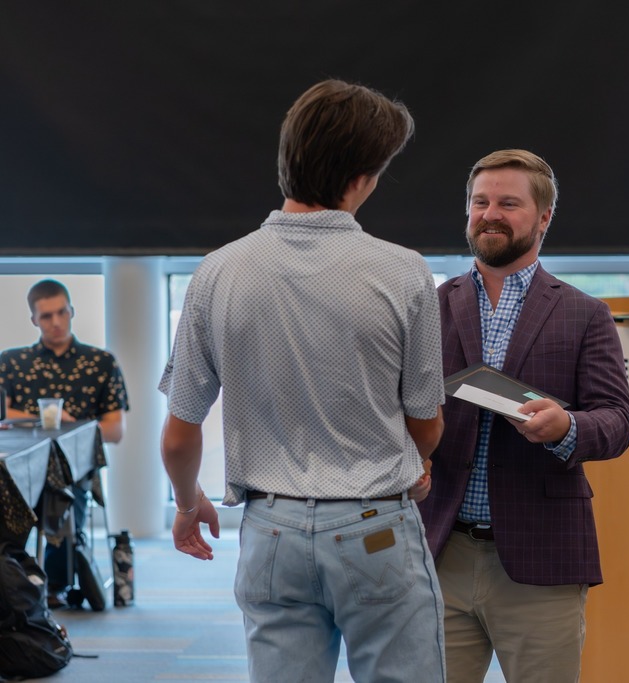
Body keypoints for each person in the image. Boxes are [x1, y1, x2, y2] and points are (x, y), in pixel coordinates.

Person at [158, 79, 446, 683]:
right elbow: (426, 422)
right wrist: (417, 465)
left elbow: (179, 435)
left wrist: (187, 504)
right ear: (362, 176)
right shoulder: (403, 272)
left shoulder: (217, 273)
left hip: (270, 532)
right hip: (376, 532)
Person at [419, 149, 629, 683]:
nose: (490, 214)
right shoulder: (426, 306)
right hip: (440, 550)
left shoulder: (586, 314)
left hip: (543, 558)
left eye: (508, 203)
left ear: (544, 217)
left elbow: (617, 421)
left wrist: (567, 428)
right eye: (480, 202)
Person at [0, 278, 129, 608]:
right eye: (46, 316)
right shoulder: (11, 363)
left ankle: (51, 586)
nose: (56, 322)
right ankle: (14, 582)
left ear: (72, 311)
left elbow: (114, 431)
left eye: (61, 313)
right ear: (34, 319)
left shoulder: (101, 363)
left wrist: (72, 427)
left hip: (73, 473)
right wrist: (51, 420)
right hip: (17, 469)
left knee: (62, 500)